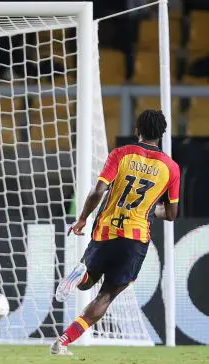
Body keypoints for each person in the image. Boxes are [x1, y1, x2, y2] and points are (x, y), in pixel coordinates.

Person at [51, 109, 180, 355]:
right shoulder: (171, 168)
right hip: (136, 239)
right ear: (162, 134)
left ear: (137, 130)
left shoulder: (121, 154)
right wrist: (150, 210)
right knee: (106, 296)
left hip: (107, 230)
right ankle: (63, 342)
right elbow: (172, 214)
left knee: (85, 284)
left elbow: (98, 191)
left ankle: (79, 274)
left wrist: (81, 219)